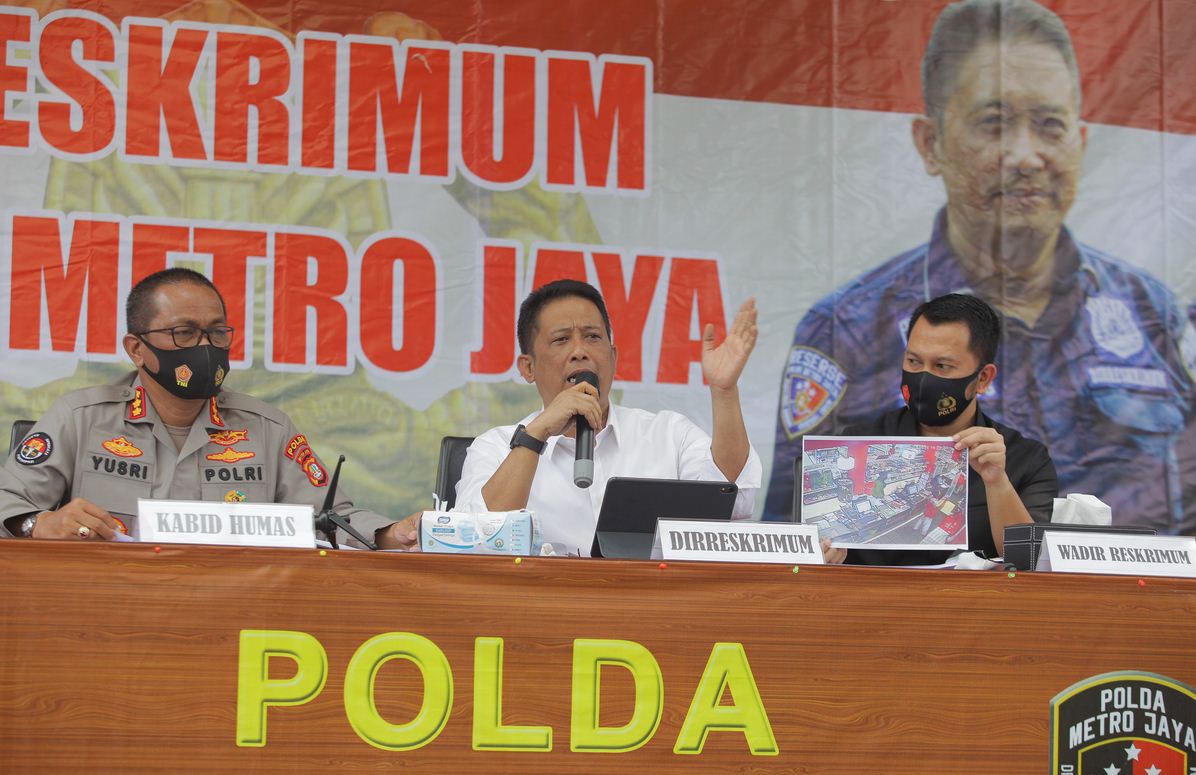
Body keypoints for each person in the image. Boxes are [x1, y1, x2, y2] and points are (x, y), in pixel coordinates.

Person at [766, 0, 1196, 536]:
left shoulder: (1150, 310)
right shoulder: (847, 326)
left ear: (1080, 143)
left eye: (1050, 125)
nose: (1024, 155)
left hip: (1110, 608)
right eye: (993, 124)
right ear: (932, 144)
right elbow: (789, 528)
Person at [0, 268, 412, 548]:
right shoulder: (81, 417)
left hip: (232, 616)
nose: (205, 347)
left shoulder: (267, 428)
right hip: (106, 605)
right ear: (137, 349)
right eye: (184, 333)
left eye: (217, 332)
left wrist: (390, 533)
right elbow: (8, 503)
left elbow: (332, 519)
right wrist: (39, 524)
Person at [448, 278, 766, 557]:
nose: (580, 351)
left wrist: (724, 392)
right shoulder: (495, 447)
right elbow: (472, 540)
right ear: (528, 367)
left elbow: (734, 500)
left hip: (652, 612)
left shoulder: (668, 434)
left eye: (592, 337)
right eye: (561, 339)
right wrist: (536, 435)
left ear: (613, 357)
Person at [834, 294, 1057, 566]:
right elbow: (805, 556)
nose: (923, 378)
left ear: (983, 379)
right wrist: (823, 556)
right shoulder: (854, 444)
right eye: (914, 362)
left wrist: (997, 483)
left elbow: (1030, 563)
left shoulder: (1026, 460)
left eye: (942, 366)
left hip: (978, 604)